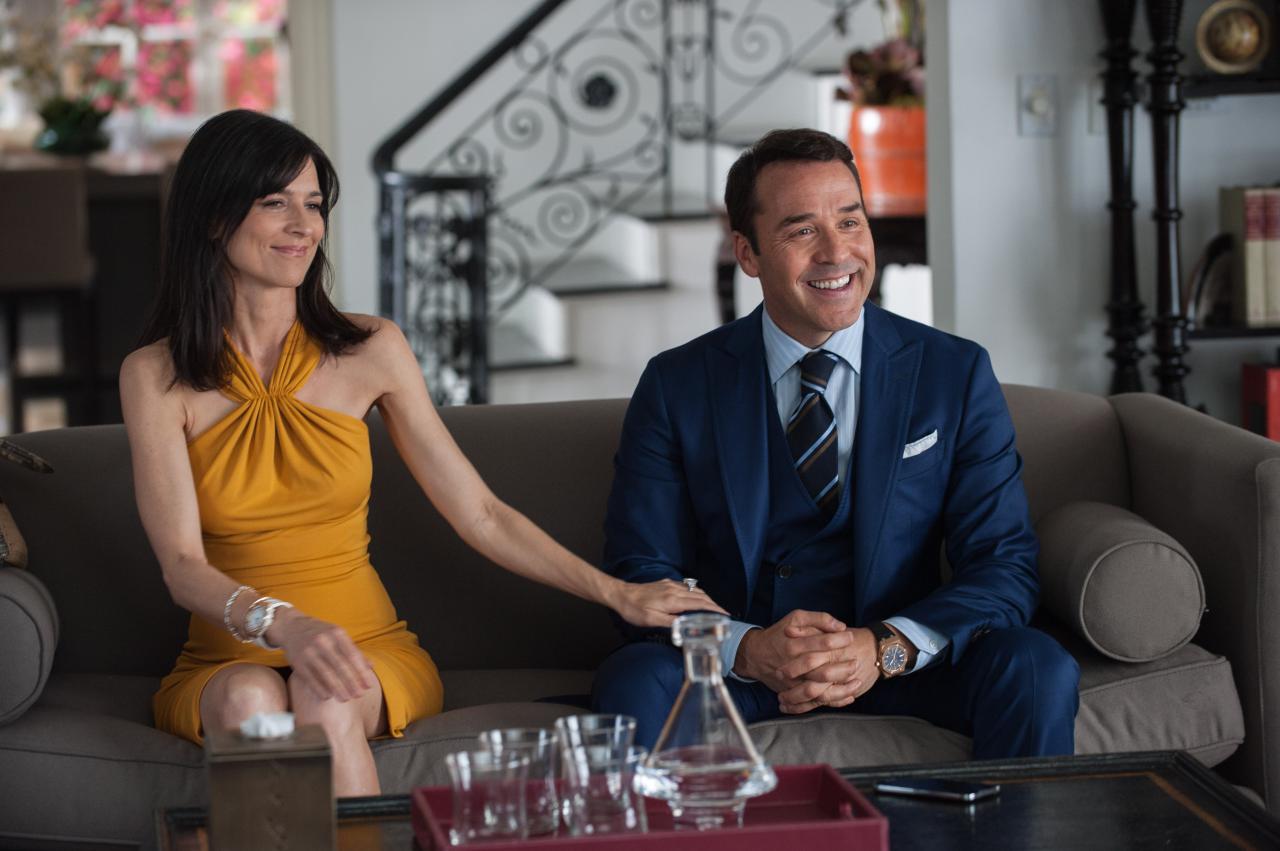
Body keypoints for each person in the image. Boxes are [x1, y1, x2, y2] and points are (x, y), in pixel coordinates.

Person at [119, 109, 723, 797]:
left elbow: (480, 514)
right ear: (212, 218)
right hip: (225, 656)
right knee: (247, 702)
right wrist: (284, 624)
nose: (303, 225)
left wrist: (618, 592)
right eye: (275, 203)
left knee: (326, 697)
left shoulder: (371, 349)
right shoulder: (155, 375)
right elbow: (182, 566)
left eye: (314, 204)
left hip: (365, 649)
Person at [591, 128, 1080, 758]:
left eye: (850, 222)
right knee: (635, 679)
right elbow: (640, 571)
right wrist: (748, 648)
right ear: (748, 253)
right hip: (742, 674)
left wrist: (883, 649)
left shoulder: (953, 373)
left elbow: (1003, 565)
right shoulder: (676, 384)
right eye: (802, 231)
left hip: (902, 664)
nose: (836, 252)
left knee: (1036, 666)